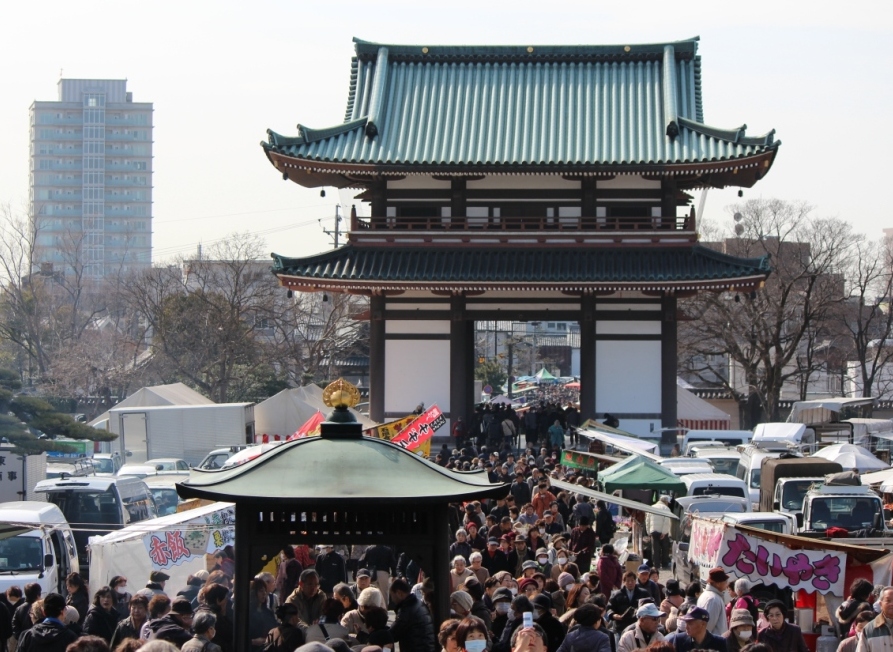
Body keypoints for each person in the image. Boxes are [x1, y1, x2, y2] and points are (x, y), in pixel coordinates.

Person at [388, 579, 436, 652]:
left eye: (392, 595)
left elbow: (393, 633)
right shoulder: (417, 604)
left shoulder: (407, 609)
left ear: (399, 593)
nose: (392, 599)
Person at [697, 567, 730, 636]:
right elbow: (707, 626)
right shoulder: (713, 599)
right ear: (717, 583)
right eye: (725, 581)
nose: (727, 584)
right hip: (714, 643)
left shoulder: (708, 595)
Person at [248, 578, 278, 651]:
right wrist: (252, 642)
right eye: (261, 591)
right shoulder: (247, 613)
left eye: (265, 590)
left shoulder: (268, 612)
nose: (264, 593)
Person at [645, 497, 672, 569]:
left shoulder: (651, 507)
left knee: (655, 549)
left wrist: (649, 532)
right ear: (666, 502)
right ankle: (664, 564)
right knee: (664, 549)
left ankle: (656, 565)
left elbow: (647, 521)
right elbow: (667, 522)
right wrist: (664, 532)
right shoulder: (666, 509)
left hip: (653, 531)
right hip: (663, 532)